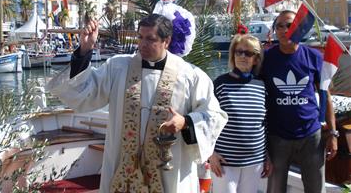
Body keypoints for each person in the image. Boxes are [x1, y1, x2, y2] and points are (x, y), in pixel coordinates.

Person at [46, 14, 227, 193]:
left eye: (151, 39)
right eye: (140, 37)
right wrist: (84, 50)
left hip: (168, 170)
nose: (142, 44)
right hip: (123, 167)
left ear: (167, 41)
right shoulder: (117, 67)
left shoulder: (191, 76)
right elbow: (85, 91)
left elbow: (213, 116)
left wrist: (186, 122)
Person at [261, 10, 338, 193]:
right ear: (275, 30)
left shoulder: (314, 57)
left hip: (311, 136)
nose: (285, 30)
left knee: (316, 189)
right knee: (275, 189)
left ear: (299, 28)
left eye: (289, 25)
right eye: (280, 26)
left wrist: (333, 134)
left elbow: (326, 95)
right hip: (277, 137)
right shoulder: (265, 59)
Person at [209, 34, 272, 192]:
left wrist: (267, 156)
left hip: (255, 161)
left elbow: (265, 124)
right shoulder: (220, 84)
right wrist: (211, 153)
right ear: (233, 54)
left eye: (248, 53)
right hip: (225, 161)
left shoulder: (262, 86)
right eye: (239, 52)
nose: (242, 56)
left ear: (256, 59)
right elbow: (207, 121)